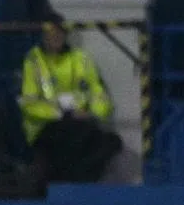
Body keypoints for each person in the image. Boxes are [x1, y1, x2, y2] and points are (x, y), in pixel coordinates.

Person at [19, 17, 121, 182]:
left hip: (80, 122)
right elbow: (29, 104)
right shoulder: (33, 60)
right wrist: (60, 113)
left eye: (59, 33)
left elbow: (99, 94)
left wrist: (91, 112)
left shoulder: (81, 58)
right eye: (50, 33)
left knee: (111, 142)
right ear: (43, 35)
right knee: (71, 136)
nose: (55, 37)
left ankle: (77, 185)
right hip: (46, 126)